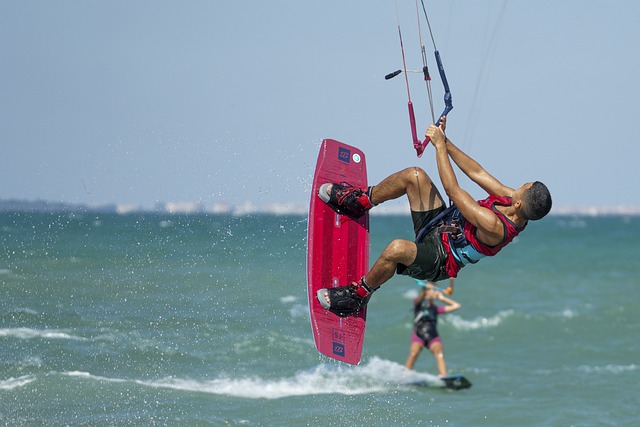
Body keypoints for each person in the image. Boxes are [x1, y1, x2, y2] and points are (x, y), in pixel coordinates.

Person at [317, 116, 552, 317]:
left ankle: (359, 295)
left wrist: (439, 147)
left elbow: (454, 191)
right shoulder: (511, 200)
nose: (518, 185)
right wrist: (446, 141)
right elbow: (477, 172)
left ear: (520, 203)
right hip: (440, 224)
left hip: (439, 258)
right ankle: (360, 203)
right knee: (414, 175)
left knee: (397, 249)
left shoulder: (496, 226)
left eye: (523, 186)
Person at [405, 279, 460, 377]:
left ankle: (443, 376)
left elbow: (456, 306)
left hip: (433, 336)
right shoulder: (418, 303)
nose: (435, 292)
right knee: (414, 353)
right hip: (418, 335)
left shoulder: (436, 309)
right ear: (426, 291)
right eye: (433, 290)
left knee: (439, 353)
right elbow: (420, 297)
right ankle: (405, 375)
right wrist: (426, 289)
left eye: (436, 290)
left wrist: (442, 298)